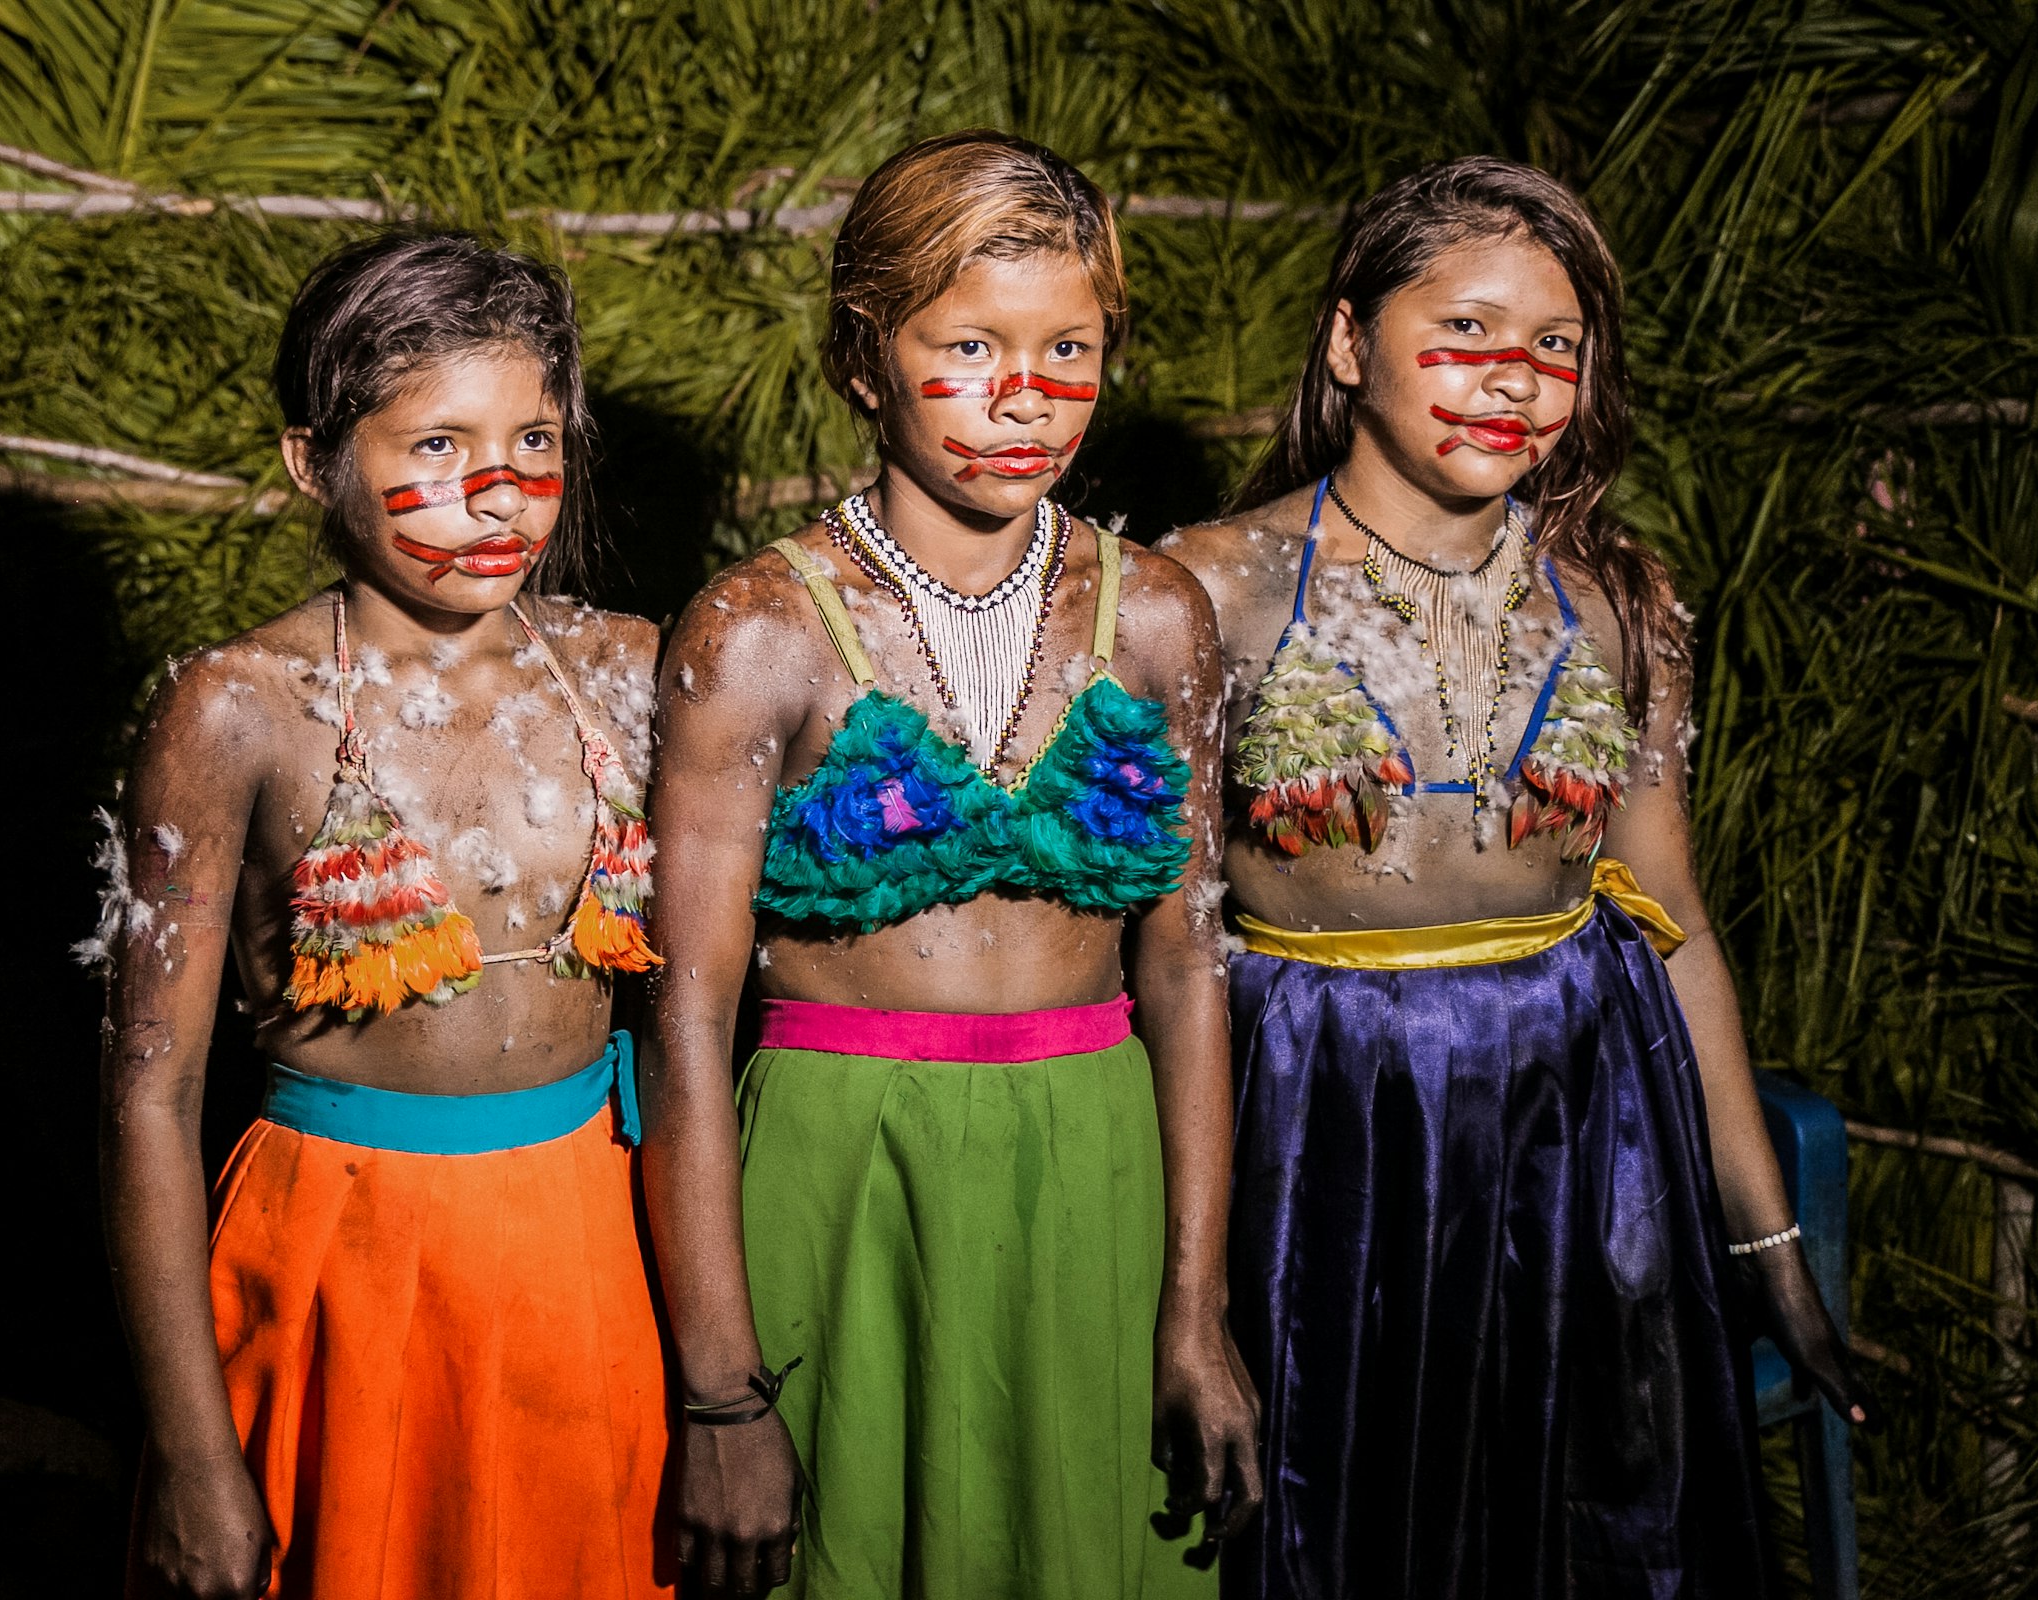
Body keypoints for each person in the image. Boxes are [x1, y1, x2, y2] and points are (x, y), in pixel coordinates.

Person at [1159, 158, 1877, 1599]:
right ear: (1352, 343)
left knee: (1589, 1531)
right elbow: (1170, 952)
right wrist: (1187, 1302)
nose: (1516, 381)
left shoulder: (1615, 597)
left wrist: (1771, 1248)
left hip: (1586, 1126)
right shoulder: (1203, 590)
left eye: (1557, 346)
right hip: (1327, 1127)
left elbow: (1675, 935)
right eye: (1468, 333)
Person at [640, 131, 1262, 1599]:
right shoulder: (754, 632)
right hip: (844, 1171)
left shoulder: (1160, 616)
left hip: (1091, 1167)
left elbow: (1183, 968)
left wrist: (1194, 1309)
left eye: (1071, 350)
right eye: (969, 344)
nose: (1024, 397)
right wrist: (723, 1392)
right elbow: (681, 1017)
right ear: (867, 358)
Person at [97, 232, 672, 1600]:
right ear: (314, 462)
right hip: (335, 1259)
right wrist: (189, 1455)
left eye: (535, 440)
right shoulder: (235, 710)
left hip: (586, 1253)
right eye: (436, 447)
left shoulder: (635, 671)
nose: (497, 495)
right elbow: (145, 1096)